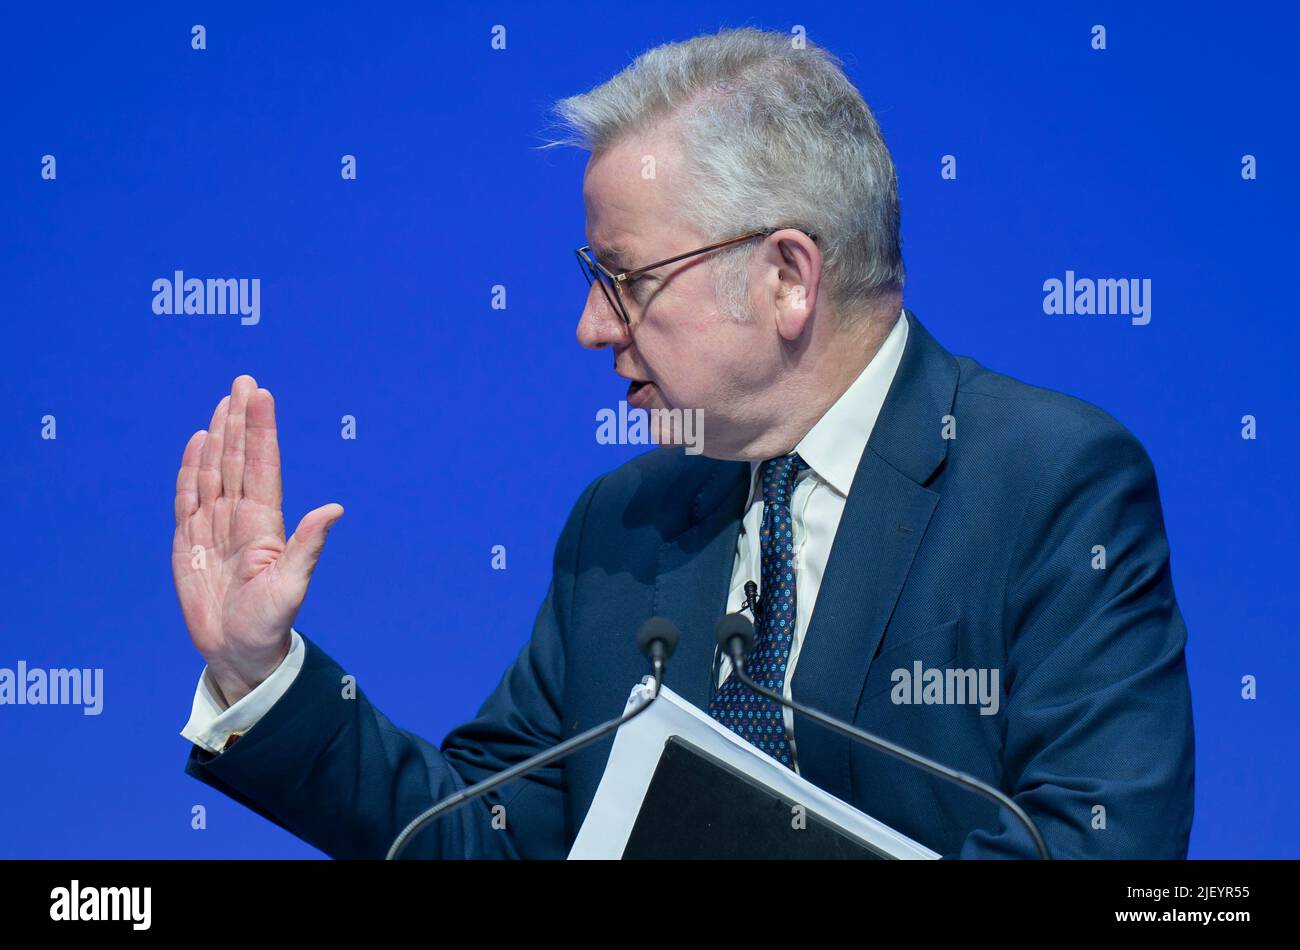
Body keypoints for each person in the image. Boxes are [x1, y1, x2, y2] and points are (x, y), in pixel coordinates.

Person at [175, 28, 1194, 859]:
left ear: (787, 276)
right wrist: (258, 670)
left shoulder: (1051, 482)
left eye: (624, 277)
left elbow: (1099, 848)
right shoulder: (624, 525)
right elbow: (481, 836)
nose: (590, 325)